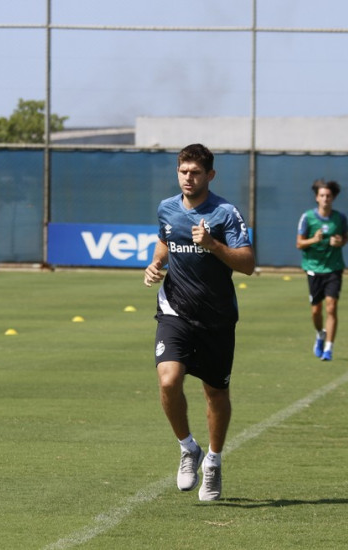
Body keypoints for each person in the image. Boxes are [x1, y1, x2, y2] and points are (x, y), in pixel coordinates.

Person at [144, 143, 255, 502]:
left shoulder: (225, 213)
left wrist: (212, 245)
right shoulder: (167, 208)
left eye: (195, 172)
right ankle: (187, 447)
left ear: (210, 174)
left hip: (217, 317)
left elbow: (248, 263)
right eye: (183, 172)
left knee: (215, 392)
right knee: (168, 379)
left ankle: (213, 461)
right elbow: (165, 240)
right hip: (175, 309)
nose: (188, 178)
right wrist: (156, 263)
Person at [296, 178, 348, 362]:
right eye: (322, 195)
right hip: (313, 269)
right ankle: (320, 334)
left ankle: (329, 348)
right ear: (316, 198)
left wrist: (339, 242)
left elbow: (345, 238)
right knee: (316, 311)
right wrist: (314, 240)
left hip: (333, 268)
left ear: (333, 198)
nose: (325, 198)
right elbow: (299, 244)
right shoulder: (307, 218)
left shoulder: (340, 218)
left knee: (331, 307)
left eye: (328, 195)